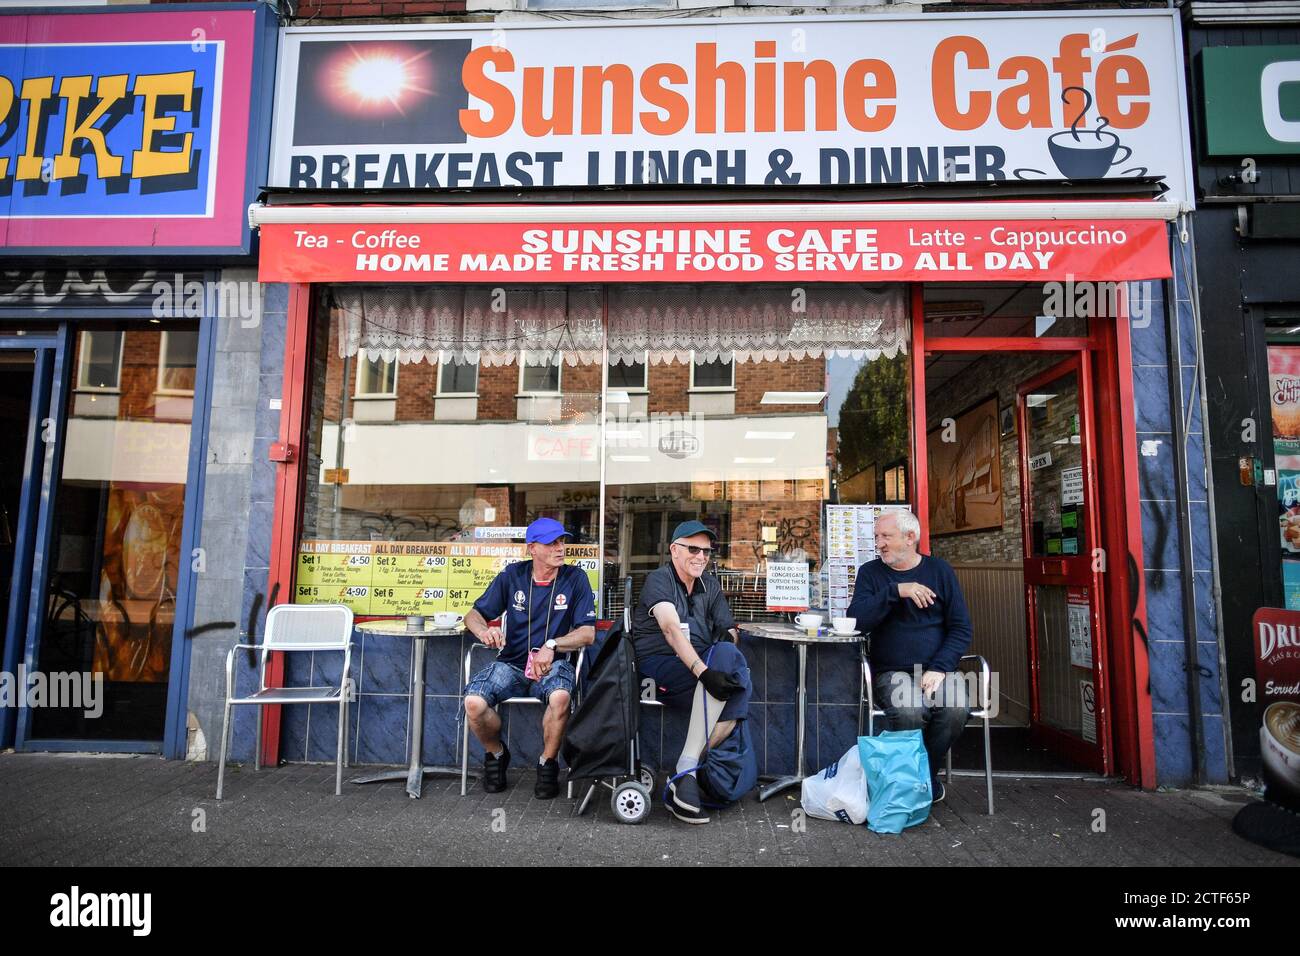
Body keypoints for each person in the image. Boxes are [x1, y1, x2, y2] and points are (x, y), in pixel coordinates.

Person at [463, 517, 596, 799]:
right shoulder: (513, 576)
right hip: (511, 664)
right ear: (532, 548)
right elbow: (472, 616)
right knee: (473, 703)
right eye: (552, 543)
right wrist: (484, 631)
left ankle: (547, 764)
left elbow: (587, 634)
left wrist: (553, 644)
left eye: (562, 541)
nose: (560, 548)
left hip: (553, 665)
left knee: (560, 697)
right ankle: (496, 754)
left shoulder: (575, 579)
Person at [630, 520, 752, 824]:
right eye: (693, 549)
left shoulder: (709, 585)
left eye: (706, 552)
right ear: (674, 550)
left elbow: (728, 629)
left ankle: (684, 770)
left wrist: (727, 640)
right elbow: (671, 629)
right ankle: (685, 774)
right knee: (733, 683)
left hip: (700, 664)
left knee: (731, 664)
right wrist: (704, 672)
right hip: (658, 668)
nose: (700, 556)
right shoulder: (659, 580)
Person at [847, 509, 972, 803]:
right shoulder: (871, 573)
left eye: (886, 536)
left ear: (910, 537)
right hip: (892, 672)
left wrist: (940, 668)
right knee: (910, 710)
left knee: (956, 708)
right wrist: (896, 591)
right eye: (877, 537)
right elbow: (856, 621)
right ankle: (919, 783)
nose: (879, 543)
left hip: (939, 670)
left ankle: (922, 777)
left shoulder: (940, 572)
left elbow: (961, 628)